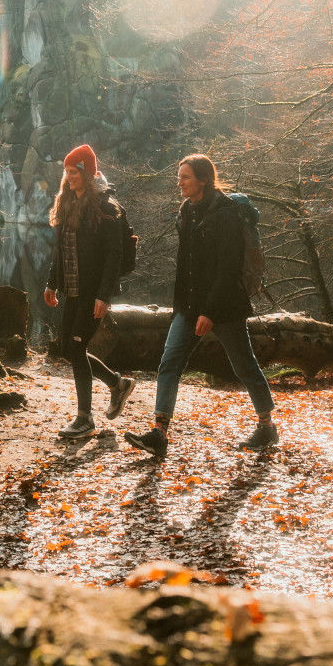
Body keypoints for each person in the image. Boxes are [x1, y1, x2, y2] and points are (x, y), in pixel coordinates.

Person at [126, 154, 277, 456]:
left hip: (224, 306)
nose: (179, 183)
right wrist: (181, 307)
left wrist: (210, 311)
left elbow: (228, 267)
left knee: (243, 366)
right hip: (189, 305)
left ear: (204, 179)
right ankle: (159, 432)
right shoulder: (186, 211)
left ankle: (266, 426)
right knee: (169, 363)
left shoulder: (227, 213)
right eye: (179, 176)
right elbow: (185, 266)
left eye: (185, 177)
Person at [42, 144, 136, 439]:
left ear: (88, 173)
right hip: (72, 290)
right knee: (71, 349)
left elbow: (114, 255)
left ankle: (84, 419)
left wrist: (104, 296)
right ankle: (117, 384)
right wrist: (51, 283)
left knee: (77, 348)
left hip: (92, 292)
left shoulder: (106, 208)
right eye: (67, 172)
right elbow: (61, 252)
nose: (70, 177)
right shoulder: (67, 203)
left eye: (75, 172)